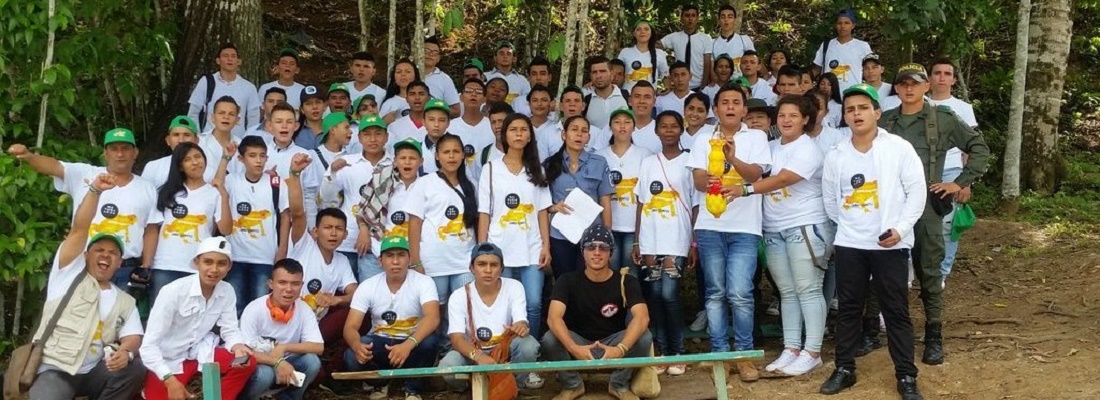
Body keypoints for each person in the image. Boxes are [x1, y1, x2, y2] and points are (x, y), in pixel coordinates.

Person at [818, 83, 926, 400]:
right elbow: (830, 200)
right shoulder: (837, 155)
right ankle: (845, 368)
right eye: (850, 109)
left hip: (890, 242)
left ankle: (906, 376)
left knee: (895, 311)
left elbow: (916, 192)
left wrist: (901, 228)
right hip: (851, 243)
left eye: (863, 108)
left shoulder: (898, 148)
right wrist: (852, 227)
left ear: (877, 112)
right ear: (845, 117)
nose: (856, 114)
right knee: (849, 308)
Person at [879, 64, 989, 366]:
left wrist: (958, 183)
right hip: (890, 208)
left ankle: (934, 335)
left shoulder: (943, 119)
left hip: (927, 206)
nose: (909, 88)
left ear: (926, 86)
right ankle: (874, 331)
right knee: (884, 270)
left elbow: (979, 149)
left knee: (929, 271)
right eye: (903, 84)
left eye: (915, 83)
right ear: (897, 89)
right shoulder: (886, 120)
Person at [726, 96, 832, 376]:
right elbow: (754, 171)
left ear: (805, 120)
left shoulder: (809, 149)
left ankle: (812, 352)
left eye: (793, 116)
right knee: (787, 292)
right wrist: (733, 159)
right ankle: (791, 348)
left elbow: (784, 179)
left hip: (805, 226)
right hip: (773, 228)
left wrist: (746, 190)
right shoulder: (771, 147)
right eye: (782, 115)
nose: (786, 120)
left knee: (808, 289)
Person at [28, 173, 146, 400]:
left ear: (119, 262)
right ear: (85, 255)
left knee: (135, 369)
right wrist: (95, 191)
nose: (105, 255)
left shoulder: (125, 300)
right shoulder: (67, 275)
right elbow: (80, 229)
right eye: (99, 250)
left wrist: (125, 351)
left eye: (113, 253)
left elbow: (134, 336)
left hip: (96, 371)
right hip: (57, 370)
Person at [688, 85, 770, 382]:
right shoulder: (702, 138)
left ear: (745, 110)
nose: (731, 107)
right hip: (710, 226)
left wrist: (732, 158)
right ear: (716, 109)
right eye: (725, 102)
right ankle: (719, 354)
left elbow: (756, 176)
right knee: (715, 293)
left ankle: (744, 356)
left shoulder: (757, 137)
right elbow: (697, 180)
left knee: (741, 293)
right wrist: (709, 178)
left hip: (745, 228)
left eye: (737, 102)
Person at [7, 128, 158, 288]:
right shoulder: (85, 174)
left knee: (119, 311)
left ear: (135, 152)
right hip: (84, 263)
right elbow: (54, 166)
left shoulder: (147, 188)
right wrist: (28, 156)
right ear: (105, 153)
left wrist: (146, 265)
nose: (120, 154)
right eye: (114, 149)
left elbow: (151, 229)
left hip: (125, 267)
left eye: (125, 149)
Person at [542, 225, 653, 400]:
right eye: (591, 247)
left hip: (614, 343)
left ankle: (619, 385)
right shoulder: (567, 280)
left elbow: (642, 317)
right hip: (579, 343)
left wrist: (620, 349)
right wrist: (574, 348)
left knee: (644, 335)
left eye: (603, 248)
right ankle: (573, 385)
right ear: (583, 252)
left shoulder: (627, 281)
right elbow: (553, 318)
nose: (597, 252)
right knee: (550, 338)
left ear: (611, 253)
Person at [140, 236, 257, 400]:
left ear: (229, 266)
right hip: (168, 360)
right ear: (197, 262)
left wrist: (237, 345)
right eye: (208, 262)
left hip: (199, 352)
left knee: (246, 362)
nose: (214, 269)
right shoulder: (173, 292)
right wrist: (168, 379)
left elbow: (230, 329)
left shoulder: (227, 290)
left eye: (221, 263)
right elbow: (148, 347)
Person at [284, 153, 362, 389]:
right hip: (288, 324)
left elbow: (356, 293)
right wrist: (295, 175)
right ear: (315, 232)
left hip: (316, 327)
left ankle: (336, 371)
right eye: (327, 228)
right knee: (309, 379)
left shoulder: (340, 261)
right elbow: (297, 213)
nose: (333, 233)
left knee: (359, 313)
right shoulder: (303, 245)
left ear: (346, 235)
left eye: (339, 229)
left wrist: (337, 299)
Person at [477, 114, 553, 335]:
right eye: (513, 129)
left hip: (531, 246)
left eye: (523, 129)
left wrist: (546, 246)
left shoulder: (537, 169)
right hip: (500, 247)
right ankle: (506, 351)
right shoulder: (490, 169)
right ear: (505, 135)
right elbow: (484, 212)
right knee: (504, 306)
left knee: (534, 303)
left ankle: (532, 351)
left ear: (530, 136)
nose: (519, 134)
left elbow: (541, 212)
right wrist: (483, 248)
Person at [634, 111, 696, 375]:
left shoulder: (691, 162)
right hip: (651, 239)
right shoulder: (648, 163)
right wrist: (637, 240)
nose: (669, 131)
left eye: (674, 127)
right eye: (664, 127)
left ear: (681, 130)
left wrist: (694, 242)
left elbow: (695, 204)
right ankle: (661, 351)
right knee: (655, 295)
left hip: (676, 238)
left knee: (670, 293)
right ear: (656, 131)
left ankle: (678, 351)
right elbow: (641, 201)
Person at [343, 236, 441, 400]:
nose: (395, 261)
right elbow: (350, 327)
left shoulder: (424, 282)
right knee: (351, 356)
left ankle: (412, 388)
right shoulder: (368, 285)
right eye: (390, 256)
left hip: (412, 344)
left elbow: (433, 318)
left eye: (401, 255)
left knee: (430, 341)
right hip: (381, 342)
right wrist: (356, 345)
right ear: (380, 261)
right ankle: (379, 384)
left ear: (409, 259)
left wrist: (408, 345)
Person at [439, 242, 544, 390]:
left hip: (504, 352)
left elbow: (521, 320)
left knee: (528, 345)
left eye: (494, 265)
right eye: (481, 264)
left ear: (501, 268)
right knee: (448, 365)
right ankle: (470, 389)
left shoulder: (514, 286)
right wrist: (479, 356)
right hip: (473, 353)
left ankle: (514, 388)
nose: (488, 270)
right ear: (471, 268)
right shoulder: (459, 296)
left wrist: (521, 327)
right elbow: (456, 339)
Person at [146, 141, 233, 301]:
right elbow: (152, 230)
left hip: (199, 267)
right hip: (165, 265)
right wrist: (146, 264)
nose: (195, 162)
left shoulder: (214, 194)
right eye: (187, 159)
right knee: (161, 318)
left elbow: (226, 229)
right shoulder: (166, 193)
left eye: (198, 157)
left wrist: (224, 197)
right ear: (180, 166)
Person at [406, 133, 478, 304]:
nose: (451, 156)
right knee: (433, 312)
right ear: (437, 156)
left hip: (464, 261)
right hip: (433, 261)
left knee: (465, 310)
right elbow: (414, 224)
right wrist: (415, 261)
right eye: (446, 152)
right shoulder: (424, 183)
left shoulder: (471, 184)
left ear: (463, 154)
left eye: (456, 151)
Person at [238, 259, 324, 400]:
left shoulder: (304, 309)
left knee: (312, 362)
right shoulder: (254, 309)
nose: (289, 289)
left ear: (302, 285)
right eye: (282, 282)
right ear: (271, 284)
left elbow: (318, 346)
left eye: (295, 284)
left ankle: (289, 397)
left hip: (289, 360)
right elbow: (244, 352)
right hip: (260, 364)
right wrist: (277, 362)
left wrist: (284, 347)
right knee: (265, 375)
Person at [224, 136, 291, 315]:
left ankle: (256, 342)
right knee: (233, 306)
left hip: (264, 257)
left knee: (260, 306)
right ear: (241, 159)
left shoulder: (276, 183)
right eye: (252, 155)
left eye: (262, 156)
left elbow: (285, 216)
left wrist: (282, 249)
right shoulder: (231, 181)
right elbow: (216, 185)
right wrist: (225, 159)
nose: (258, 160)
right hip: (235, 256)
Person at [926, 58, 979, 287]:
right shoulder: (919, 103)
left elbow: (971, 146)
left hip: (951, 170)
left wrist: (965, 182)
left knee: (948, 224)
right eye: (937, 73)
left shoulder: (963, 108)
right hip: (922, 169)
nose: (941, 77)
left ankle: (941, 272)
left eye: (947, 74)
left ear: (954, 80)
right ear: (929, 78)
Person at [545, 115, 614, 278]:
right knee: (564, 279)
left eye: (584, 131)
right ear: (564, 134)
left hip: (591, 234)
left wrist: (607, 233)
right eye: (574, 130)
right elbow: (541, 202)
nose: (579, 134)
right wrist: (554, 207)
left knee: (589, 279)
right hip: (560, 234)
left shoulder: (599, 162)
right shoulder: (550, 164)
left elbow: (605, 199)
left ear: (589, 137)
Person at [321, 114, 389, 280]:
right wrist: (332, 173)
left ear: (386, 136)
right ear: (359, 137)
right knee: (345, 293)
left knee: (373, 295)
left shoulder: (395, 164)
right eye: (367, 134)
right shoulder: (346, 162)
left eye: (378, 134)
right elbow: (326, 199)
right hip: (348, 239)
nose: (373, 139)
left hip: (381, 242)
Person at [597, 109, 654, 278]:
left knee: (631, 273)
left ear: (634, 128)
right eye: (617, 122)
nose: (622, 126)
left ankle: (632, 304)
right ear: (610, 127)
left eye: (627, 122)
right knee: (610, 270)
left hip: (633, 226)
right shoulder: (599, 157)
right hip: (608, 225)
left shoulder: (645, 156)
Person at [265, 101, 324, 230]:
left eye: (289, 122)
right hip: (265, 220)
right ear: (269, 126)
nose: (284, 126)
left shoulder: (304, 155)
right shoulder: (260, 154)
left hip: (296, 222)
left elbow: (309, 194)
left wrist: (312, 226)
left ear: (296, 126)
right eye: (279, 122)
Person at [188, 43, 260, 137]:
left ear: (239, 61)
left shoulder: (249, 87)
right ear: (218, 60)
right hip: (209, 141)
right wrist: (198, 137)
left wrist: (249, 140)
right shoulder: (207, 82)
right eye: (225, 56)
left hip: (238, 142)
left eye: (233, 56)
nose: (230, 59)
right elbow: (193, 112)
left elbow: (253, 117)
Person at [812, 9, 874, 91]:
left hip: (853, 93)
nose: (842, 26)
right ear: (835, 25)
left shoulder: (862, 46)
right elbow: (817, 69)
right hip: (829, 95)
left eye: (846, 23)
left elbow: (870, 70)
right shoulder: (826, 45)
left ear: (853, 25)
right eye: (839, 23)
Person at [449, 79, 495, 183]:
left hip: (489, 180)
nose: (473, 94)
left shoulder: (492, 126)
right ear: (461, 97)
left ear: (484, 98)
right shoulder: (451, 127)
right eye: (469, 91)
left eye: (478, 92)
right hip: (459, 180)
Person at [660, 5, 713, 89]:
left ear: (697, 18)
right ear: (681, 18)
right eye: (687, 15)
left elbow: (707, 64)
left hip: (698, 85)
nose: (690, 19)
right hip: (679, 86)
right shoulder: (674, 37)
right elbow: (656, 46)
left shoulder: (705, 38)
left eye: (693, 15)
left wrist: (703, 86)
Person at [143, 115, 200, 188]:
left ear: (197, 140)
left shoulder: (204, 168)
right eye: (176, 135)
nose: (181, 140)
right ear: (168, 140)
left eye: (187, 135)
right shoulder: (153, 167)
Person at [198, 96, 246, 180]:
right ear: (212, 117)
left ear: (237, 120)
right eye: (221, 113)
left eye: (231, 114)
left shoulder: (242, 145)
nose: (226, 117)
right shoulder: (199, 142)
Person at [618, 20, 669, 92]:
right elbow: (618, 74)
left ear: (651, 33)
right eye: (638, 29)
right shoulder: (625, 52)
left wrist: (667, 89)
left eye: (646, 29)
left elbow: (665, 75)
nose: (642, 32)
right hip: (627, 96)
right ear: (634, 33)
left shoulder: (659, 53)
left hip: (649, 98)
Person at [583, 56, 629, 130]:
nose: (598, 76)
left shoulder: (627, 96)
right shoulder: (585, 100)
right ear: (590, 76)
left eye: (603, 71)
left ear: (612, 74)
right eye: (594, 72)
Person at [711, 5, 755, 78]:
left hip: (741, 84)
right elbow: (711, 67)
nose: (726, 20)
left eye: (730, 17)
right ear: (718, 20)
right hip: (720, 85)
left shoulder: (744, 40)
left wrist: (766, 75)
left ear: (735, 20)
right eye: (723, 17)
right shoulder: (712, 43)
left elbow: (754, 61)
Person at [421, 36, 461, 115]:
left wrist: (436, 108)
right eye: (427, 51)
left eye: (435, 52)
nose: (430, 54)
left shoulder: (445, 79)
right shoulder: (409, 73)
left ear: (438, 58)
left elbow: (456, 110)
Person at [387, 81, 431, 149]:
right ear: (406, 98)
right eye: (412, 94)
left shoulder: (437, 125)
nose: (417, 97)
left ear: (429, 98)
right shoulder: (394, 127)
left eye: (421, 94)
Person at [380, 58, 422, 123]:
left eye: (408, 71)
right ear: (394, 77)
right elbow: (378, 129)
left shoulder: (427, 100)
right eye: (399, 72)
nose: (403, 74)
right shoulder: (388, 103)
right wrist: (384, 122)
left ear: (415, 76)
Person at [624, 81, 662, 153]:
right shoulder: (615, 127)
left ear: (654, 102)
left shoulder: (663, 130)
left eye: (647, 97)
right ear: (629, 101)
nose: (642, 101)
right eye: (637, 96)